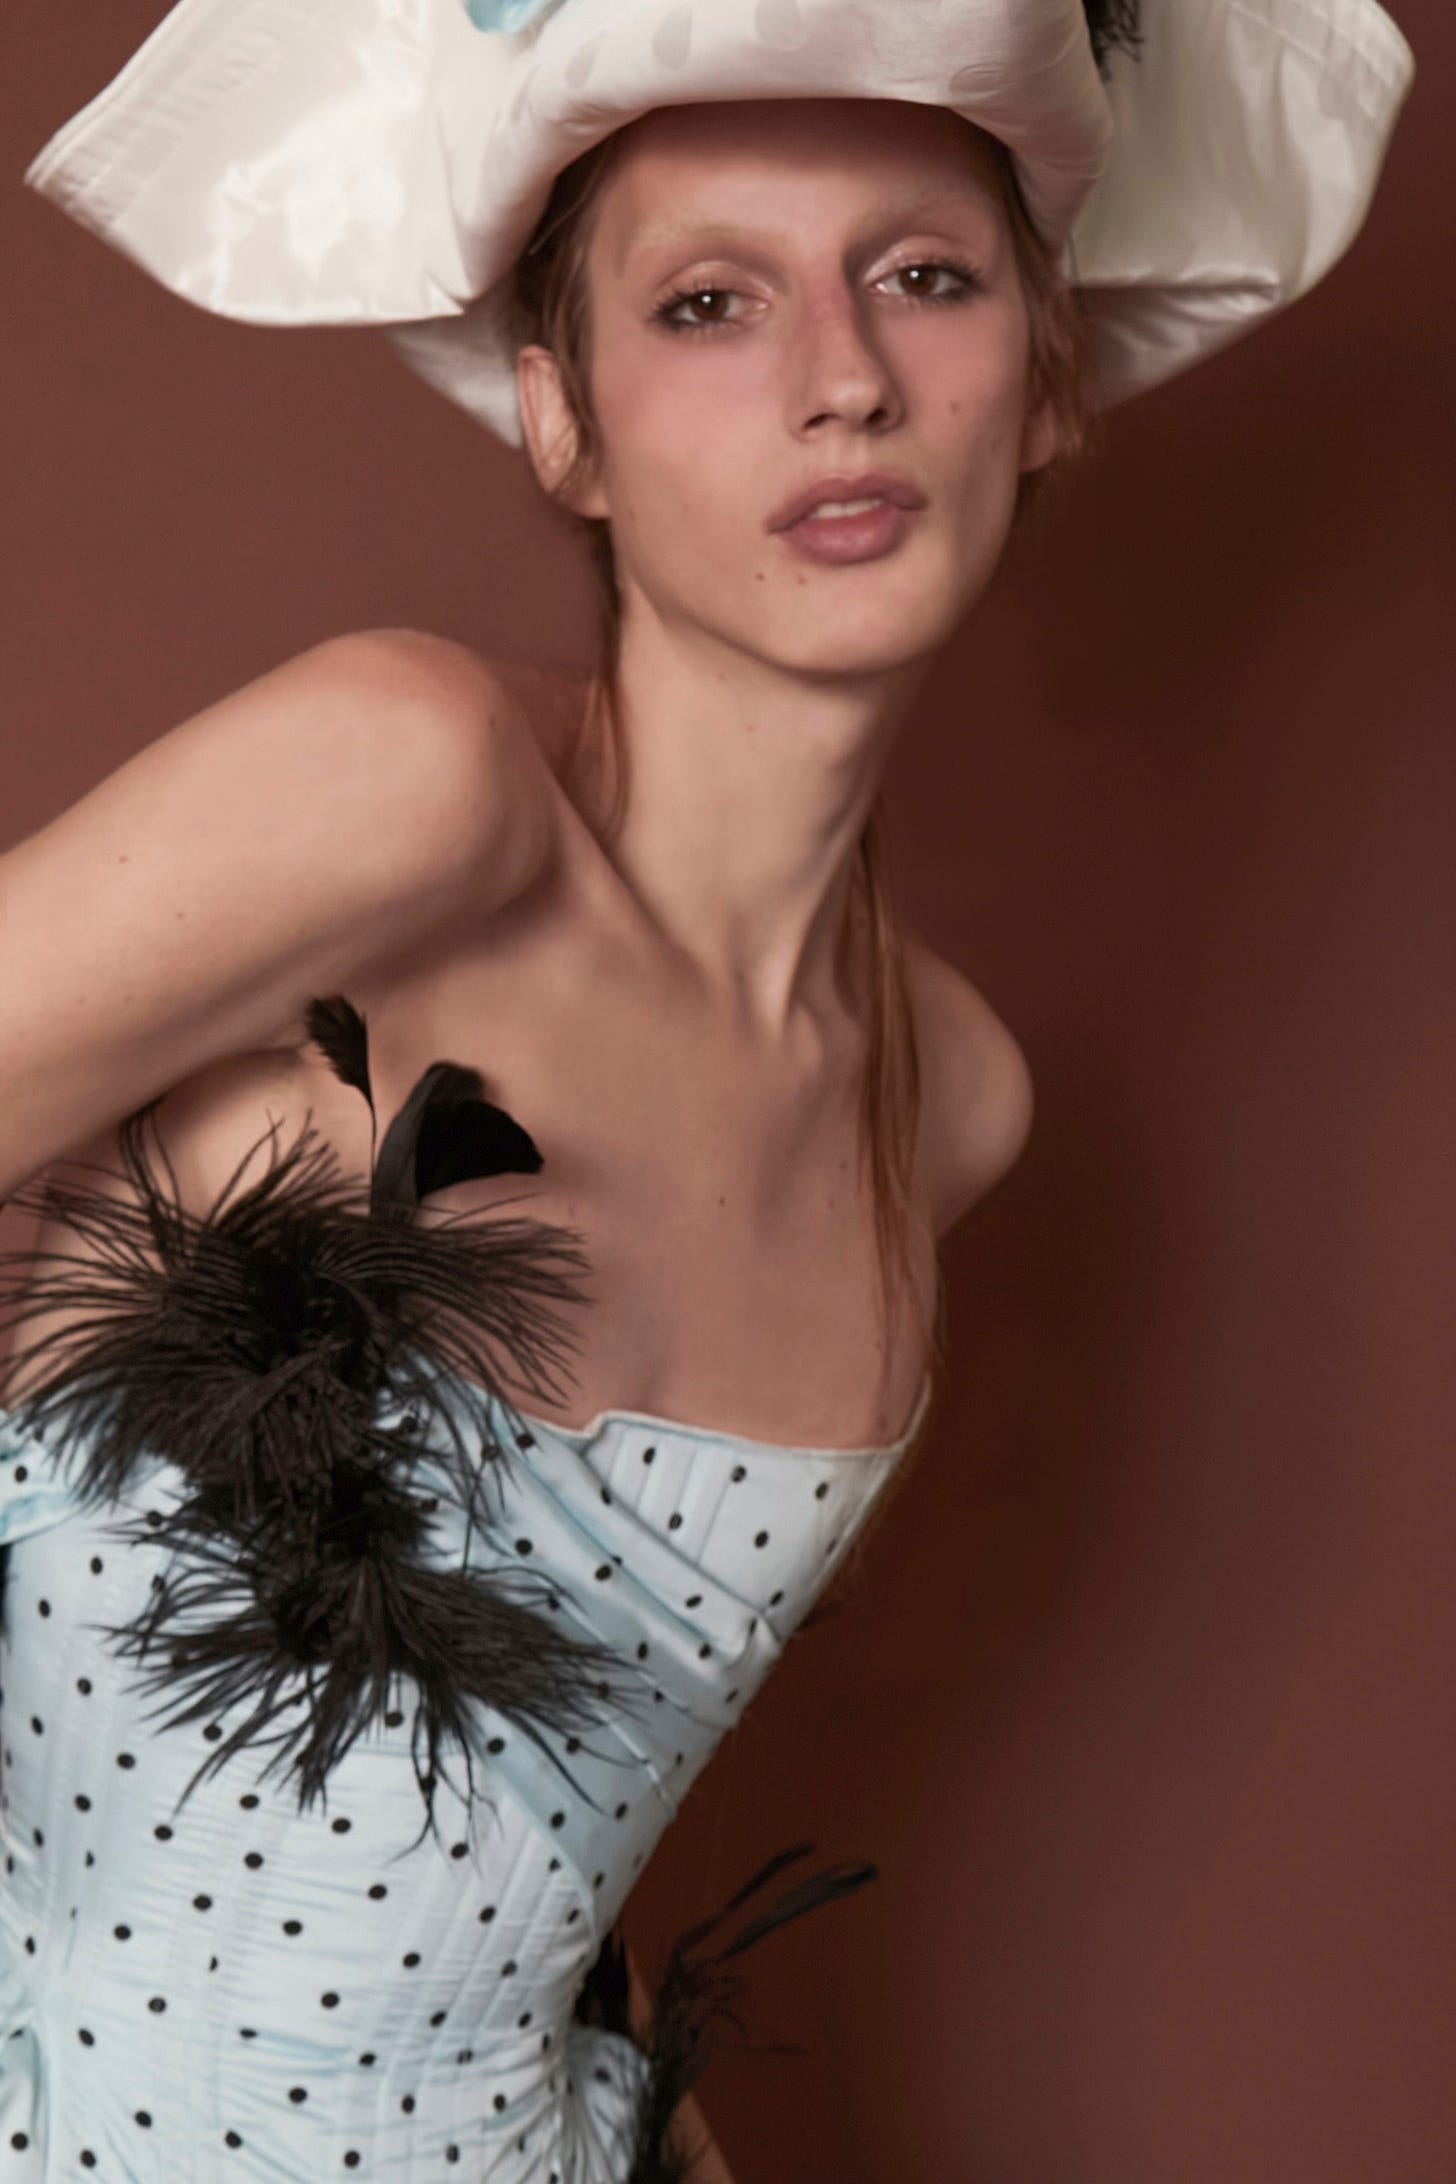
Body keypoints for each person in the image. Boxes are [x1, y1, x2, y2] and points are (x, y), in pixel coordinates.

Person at [0, 0, 1413, 2177]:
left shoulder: (947, 1098)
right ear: (560, 418)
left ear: (1045, 374)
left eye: (923, 275)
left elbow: (513, 1847)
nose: (840, 377)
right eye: (707, 303)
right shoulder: (408, 784)